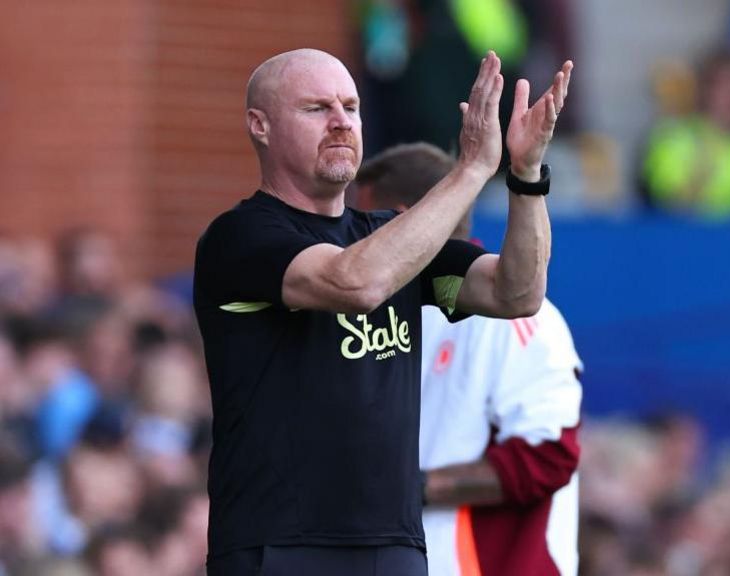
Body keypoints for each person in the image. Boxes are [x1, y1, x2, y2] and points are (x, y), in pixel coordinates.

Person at [192, 47, 573, 576]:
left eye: (350, 107)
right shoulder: (240, 237)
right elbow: (357, 281)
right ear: (260, 125)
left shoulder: (385, 237)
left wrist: (526, 175)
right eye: (316, 108)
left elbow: (518, 293)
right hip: (278, 546)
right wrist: (470, 171)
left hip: (394, 547)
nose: (340, 122)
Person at [353, 142, 583, 576]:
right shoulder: (376, 308)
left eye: (360, 224)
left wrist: (410, 488)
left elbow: (547, 456)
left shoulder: (521, 319)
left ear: (402, 220)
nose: (347, 238)